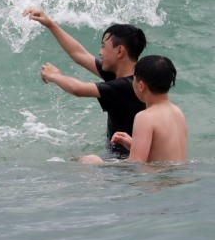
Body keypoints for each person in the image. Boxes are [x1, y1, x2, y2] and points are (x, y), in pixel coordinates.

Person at [22, 8, 146, 156]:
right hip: (120, 159)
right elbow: (79, 55)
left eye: (103, 46)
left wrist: (55, 76)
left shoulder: (127, 86)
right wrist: (50, 24)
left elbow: (77, 89)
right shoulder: (121, 75)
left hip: (125, 166)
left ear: (120, 51)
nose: (100, 52)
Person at [80, 55, 187, 164]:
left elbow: (136, 165)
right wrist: (134, 144)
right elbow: (164, 158)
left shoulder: (145, 117)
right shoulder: (177, 112)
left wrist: (101, 164)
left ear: (141, 86)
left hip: (155, 181)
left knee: (89, 162)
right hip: (177, 179)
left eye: (134, 79)